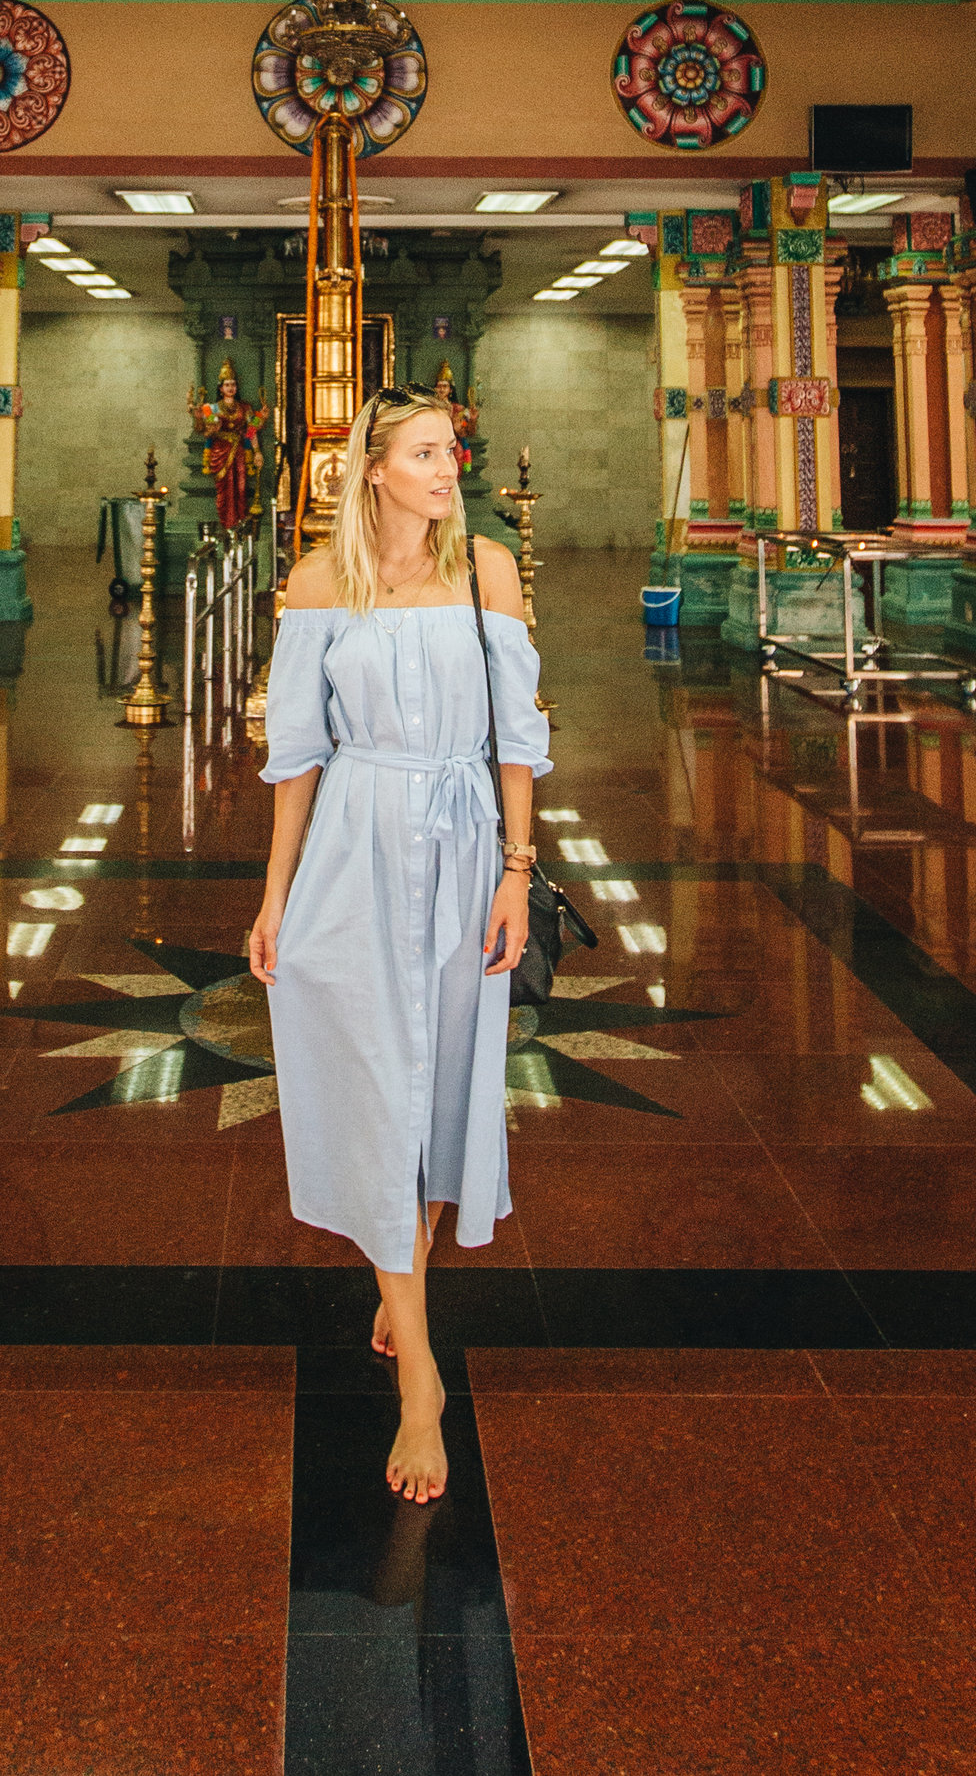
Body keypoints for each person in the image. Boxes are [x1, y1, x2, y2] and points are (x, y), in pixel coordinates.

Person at [246, 388, 550, 1503]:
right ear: (369, 470)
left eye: (452, 451)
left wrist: (517, 871)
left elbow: (518, 737)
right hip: (353, 854)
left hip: (468, 844)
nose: (447, 467)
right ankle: (420, 1377)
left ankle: (402, 1271)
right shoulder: (320, 587)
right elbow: (295, 762)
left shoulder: (488, 573)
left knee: (442, 1083)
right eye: (423, 452)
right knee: (375, 1087)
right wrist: (274, 896)